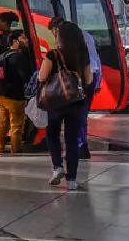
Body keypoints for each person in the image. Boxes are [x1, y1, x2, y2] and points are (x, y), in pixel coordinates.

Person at [38, 20, 93, 190]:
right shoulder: (82, 55)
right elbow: (89, 79)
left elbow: (41, 77)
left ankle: (57, 168)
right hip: (76, 102)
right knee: (71, 140)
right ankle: (72, 180)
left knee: (52, 134)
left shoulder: (52, 55)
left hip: (55, 102)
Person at [0, 30, 33, 154]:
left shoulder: (4, 55)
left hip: (1, 95)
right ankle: (16, 149)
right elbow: (26, 78)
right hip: (15, 96)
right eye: (23, 38)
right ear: (15, 41)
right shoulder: (19, 57)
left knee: (2, 123)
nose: (26, 40)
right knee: (16, 125)